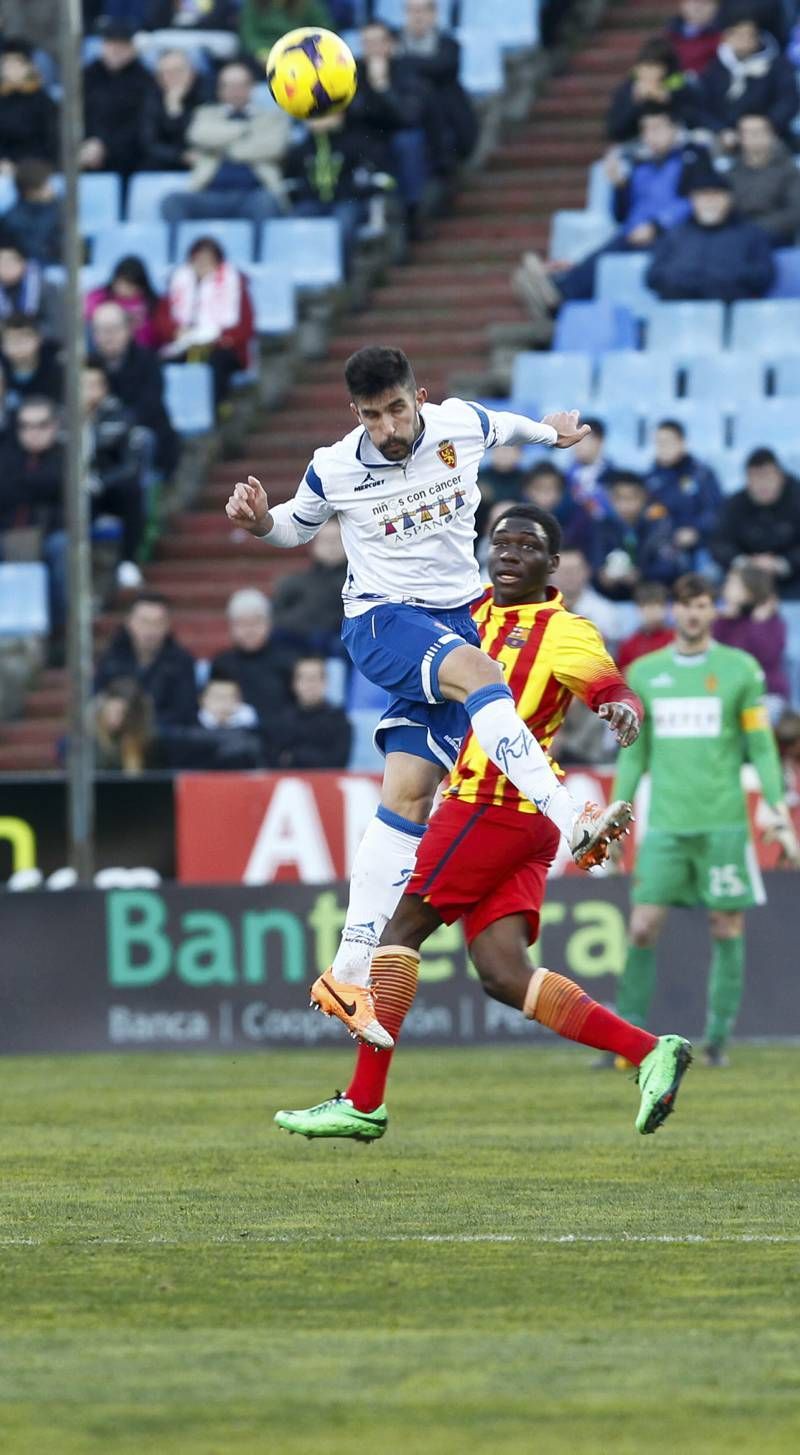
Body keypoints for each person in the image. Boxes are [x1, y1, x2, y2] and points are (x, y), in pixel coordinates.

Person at [226, 346, 635, 1046]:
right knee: (482, 674)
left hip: (452, 616)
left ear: (418, 395)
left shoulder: (459, 425)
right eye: (371, 415)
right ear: (354, 413)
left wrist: (552, 431)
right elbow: (299, 522)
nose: (387, 426)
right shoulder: (336, 465)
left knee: (410, 794)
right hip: (383, 620)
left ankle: (347, 971)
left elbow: (506, 426)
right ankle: (571, 817)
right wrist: (263, 521)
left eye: (396, 409)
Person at [275, 504, 692, 1142]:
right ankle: (648, 1051)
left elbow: (610, 686)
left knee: (395, 930)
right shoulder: (463, 615)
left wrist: (622, 708)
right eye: (500, 542)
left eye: (527, 546)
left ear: (552, 565)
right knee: (502, 973)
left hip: (491, 805)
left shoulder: (561, 629)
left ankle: (363, 1101)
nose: (508, 554)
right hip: (521, 825)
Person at [608, 572, 800, 1068]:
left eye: (702, 604)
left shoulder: (740, 670)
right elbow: (633, 755)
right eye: (685, 604)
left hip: (723, 824)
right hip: (666, 826)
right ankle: (624, 1044)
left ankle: (716, 1041)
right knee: (643, 926)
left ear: (713, 611)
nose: (694, 613)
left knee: (726, 924)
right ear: (675, 611)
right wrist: (616, 814)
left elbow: (760, 745)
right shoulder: (645, 673)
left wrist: (775, 806)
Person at [512, 106, 701, 332]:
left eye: (657, 128)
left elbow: (694, 201)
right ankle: (556, 289)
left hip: (671, 237)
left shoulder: (692, 160)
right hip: (633, 233)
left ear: (675, 130)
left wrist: (657, 226)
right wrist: (620, 187)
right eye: (646, 130)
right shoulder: (640, 167)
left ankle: (556, 294)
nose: (651, 135)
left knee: (610, 257)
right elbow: (622, 215)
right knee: (604, 253)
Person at [161, 62, 290, 228]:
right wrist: (245, 130)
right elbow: (197, 135)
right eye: (228, 86)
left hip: (254, 193)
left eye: (240, 85)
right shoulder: (205, 113)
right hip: (209, 194)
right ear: (219, 89)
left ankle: (258, 255)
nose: (235, 91)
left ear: (251, 87)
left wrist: (221, 148)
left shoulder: (272, 117)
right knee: (172, 202)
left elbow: (274, 147)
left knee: (266, 203)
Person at [646, 165, 775, 301]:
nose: (709, 201)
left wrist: (721, 280)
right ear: (692, 200)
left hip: (731, 311)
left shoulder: (751, 234)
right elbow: (653, 276)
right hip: (680, 312)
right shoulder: (675, 234)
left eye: (716, 195)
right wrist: (687, 281)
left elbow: (764, 276)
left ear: (729, 199)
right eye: (703, 195)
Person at [344, 21, 428, 231]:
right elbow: (352, 112)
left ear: (390, 44)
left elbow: (409, 115)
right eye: (366, 43)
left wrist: (382, 88)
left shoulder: (406, 69)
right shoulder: (352, 72)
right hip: (367, 136)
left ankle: (412, 209)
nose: (371, 48)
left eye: (377, 42)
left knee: (409, 142)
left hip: (398, 133)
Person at [159, 236, 255, 407]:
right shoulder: (178, 282)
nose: (202, 265)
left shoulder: (234, 284)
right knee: (161, 365)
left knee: (215, 363)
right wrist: (176, 332)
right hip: (184, 345)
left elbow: (245, 328)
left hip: (222, 346)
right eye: (198, 260)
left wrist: (217, 339)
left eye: (208, 260)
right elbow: (162, 319)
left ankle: (213, 409)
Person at [89, 301, 178, 478]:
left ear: (128, 330)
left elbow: (150, 403)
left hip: (144, 431)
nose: (108, 337)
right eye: (101, 330)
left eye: (114, 329)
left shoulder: (148, 361)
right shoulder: (89, 365)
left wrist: (121, 423)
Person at [0, 395, 65, 630]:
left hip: (49, 533)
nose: (33, 432)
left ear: (55, 426)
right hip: (7, 533)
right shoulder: (6, 454)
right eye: (25, 426)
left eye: (41, 425)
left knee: (61, 547)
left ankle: (60, 630)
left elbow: (56, 485)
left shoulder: (66, 456)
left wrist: (22, 484)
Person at [82, 364, 147, 590]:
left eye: (92, 385)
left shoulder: (120, 417)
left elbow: (130, 465)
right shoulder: (60, 418)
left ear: (104, 388)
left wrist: (100, 482)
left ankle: (128, 561)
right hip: (70, 490)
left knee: (132, 490)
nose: (87, 391)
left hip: (106, 488)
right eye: (81, 385)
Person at [283, 113, 374, 273]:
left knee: (343, 226)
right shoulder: (300, 149)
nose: (320, 120)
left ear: (340, 117)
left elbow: (368, 176)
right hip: (311, 202)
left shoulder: (354, 144)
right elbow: (290, 180)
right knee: (294, 225)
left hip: (347, 201)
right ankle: (302, 274)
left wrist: (354, 192)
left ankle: (341, 275)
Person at [95, 591, 198, 729]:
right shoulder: (111, 658)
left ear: (167, 625)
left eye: (157, 623)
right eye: (144, 621)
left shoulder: (181, 662)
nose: (150, 629)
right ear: (129, 622)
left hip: (163, 738)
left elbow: (184, 713)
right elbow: (98, 700)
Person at [398, 0, 478, 178]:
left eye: (422, 10)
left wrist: (406, 63)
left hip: (446, 123)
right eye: (411, 11)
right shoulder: (394, 44)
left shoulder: (449, 44)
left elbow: (443, 66)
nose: (417, 16)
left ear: (434, 15)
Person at [697, 6, 798, 146]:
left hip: (771, 135)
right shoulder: (715, 68)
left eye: (749, 34)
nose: (744, 39)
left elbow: (788, 101)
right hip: (727, 138)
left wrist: (768, 125)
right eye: (737, 34)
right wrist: (721, 130)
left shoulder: (777, 65)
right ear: (726, 37)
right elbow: (703, 108)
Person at [712, 447, 800, 598]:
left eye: (767, 477)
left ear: (780, 477)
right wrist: (744, 563)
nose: (762, 485)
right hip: (747, 575)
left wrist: (781, 564)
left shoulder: (796, 499)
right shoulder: (735, 504)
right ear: (747, 480)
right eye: (756, 478)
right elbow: (719, 542)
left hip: (793, 573)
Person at [209, 586, 296, 731]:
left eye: (256, 622)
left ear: (269, 624)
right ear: (231, 627)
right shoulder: (222, 664)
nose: (249, 630)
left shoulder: (288, 661)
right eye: (242, 624)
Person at [644, 418, 723, 572]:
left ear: (682, 443)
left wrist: (696, 532)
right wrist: (671, 534)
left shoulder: (701, 475)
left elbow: (715, 511)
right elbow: (650, 515)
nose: (663, 448)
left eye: (668, 442)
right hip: (664, 544)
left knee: (709, 571)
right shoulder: (650, 480)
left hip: (701, 544)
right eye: (659, 443)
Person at [81, 19, 157, 176]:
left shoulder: (144, 79)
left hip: (128, 156)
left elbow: (142, 123)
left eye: (122, 45)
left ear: (131, 48)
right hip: (87, 148)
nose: (116, 50)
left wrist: (105, 146)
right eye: (111, 44)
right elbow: (77, 114)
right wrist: (90, 141)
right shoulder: (87, 76)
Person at [714, 563, 789, 718]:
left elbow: (765, 656)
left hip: (766, 694)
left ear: (750, 589)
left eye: (733, 583)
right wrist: (722, 621)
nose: (726, 586)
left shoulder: (771, 621)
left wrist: (757, 623)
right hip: (728, 692)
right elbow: (717, 655)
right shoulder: (723, 621)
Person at [590, 472, 679, 601]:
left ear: (644, 498)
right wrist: (600, 575)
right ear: (611, 500)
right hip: (609, 598)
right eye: (619, 499)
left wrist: (641, 575)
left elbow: (668, 567)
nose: (625, 505)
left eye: (631, 498)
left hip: (650, 598)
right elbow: (593, 560)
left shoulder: (659, 526)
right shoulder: (602, 526)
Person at [160, 669, 264, 769]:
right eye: (218, 697)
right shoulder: (185, 727)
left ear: (239, 700)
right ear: (202, 700)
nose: (223, 703)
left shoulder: (255, 730)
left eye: (229, 697)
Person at [606, 37, 704, 142]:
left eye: (654, 67)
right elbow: (614, 131)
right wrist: (634, 104)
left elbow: (699, 120)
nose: (648, 73)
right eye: (645, 67)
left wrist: (669, 101)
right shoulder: (628, 89)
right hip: (638, 146)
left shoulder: (681, 86)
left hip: (677, 143)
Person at [271, 517, 347, 648]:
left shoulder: (358, 584)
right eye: (325, 541)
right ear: (314, 545)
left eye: (337, 540)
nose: (332, 546)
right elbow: (276, 619)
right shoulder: (293, 583)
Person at [267, 655, 352, 768]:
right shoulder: (282, 720)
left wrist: (295, 757)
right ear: (294, 684)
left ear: (325, 683)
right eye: (304, 678)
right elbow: (275, 760)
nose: (309, 684)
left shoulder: (339, 720)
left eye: (314, 678)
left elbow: (338, 762)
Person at [729, 112, 800, 245]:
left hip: (776, 237)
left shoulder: (789, 170)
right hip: (736, 237)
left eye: (759, 131)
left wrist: (754, 229)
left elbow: (795, 212)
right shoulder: (731, 172)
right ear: (739, 137)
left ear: (772, 135)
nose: (754, 136)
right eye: (748, 132)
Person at [140, 49, 208, 174]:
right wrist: (174, 108)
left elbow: (202, 137)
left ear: (192, 73)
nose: (174, 77)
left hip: (201, 166)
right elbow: (149, 144)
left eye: (179, 71)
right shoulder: (151, 100)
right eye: (167, 73)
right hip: (161, 169)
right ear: (158, 78)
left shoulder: (206, 98)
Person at [85, 257, 165, 352]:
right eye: (121, 283)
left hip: (140, 355)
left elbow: (155, 338)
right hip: (103, 352)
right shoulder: (101, 297)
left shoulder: (151, 304)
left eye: (130, 285)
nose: (124, 288)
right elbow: (91, 316)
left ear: (140, 286)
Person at [519, 460, 595, 558]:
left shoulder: (579, 517)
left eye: (551, 489)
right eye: (538, 488)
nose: (545, 495)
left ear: (561, 492)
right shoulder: (518, 516)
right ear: (526, 491)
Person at [0, 40, 58, 171]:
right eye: (7, 63)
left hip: (34, 170)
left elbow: (50, 145)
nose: (10, 69)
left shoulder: (44, 103)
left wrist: (20, 167)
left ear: (28, 67)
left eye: (16, 64)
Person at [552, 546, 622, 644]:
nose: (568, 576)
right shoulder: (537, 607)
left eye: (573, 570)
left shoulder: (606, 612)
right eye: (563, 571)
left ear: (587, 571)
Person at [0, 160, 62, 266]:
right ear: (31, 192)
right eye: (46, 185)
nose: (52, 188)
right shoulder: (11, 220)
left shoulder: (61, 209)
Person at [91, 676, 155, 773]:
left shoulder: (143, 740)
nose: (114, 719)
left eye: (122, 713)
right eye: (111, 712)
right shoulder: (90, 739)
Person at [238, 0, 334, 62]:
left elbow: (324, 32)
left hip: (299, 55)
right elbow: (249, 33)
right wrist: (260, 52)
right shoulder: (253, 4)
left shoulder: (308, 5)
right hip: (261, 57)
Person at [0, 315, 62, 406]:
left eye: (24, 338)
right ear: (2, 346)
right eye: (12, 340)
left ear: (39, 339)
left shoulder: (56, 367)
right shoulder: (1, 371)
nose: (18, 345)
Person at [563, 417, 615, 519]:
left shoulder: (613, 477)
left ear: (599, 441)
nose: (576, 445)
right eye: (573, 439)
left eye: (582, 440)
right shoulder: (565, 478)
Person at [617, 581, 675, 673]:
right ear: (637, 609)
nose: (652, 612)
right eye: (646, 606)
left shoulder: (675, 639)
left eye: (657, 605)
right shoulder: (628, 644)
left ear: (666, 608)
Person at [665, 0, 723, 76]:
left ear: (716, 7)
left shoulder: (725, 38)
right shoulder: (667, 37)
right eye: (694, 1)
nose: (698, 7)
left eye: (705, 2)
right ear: (683, 4)